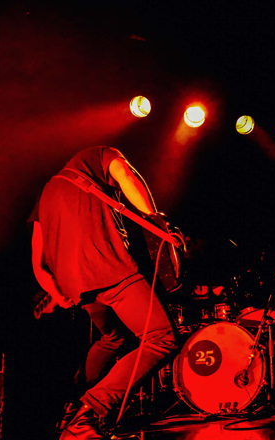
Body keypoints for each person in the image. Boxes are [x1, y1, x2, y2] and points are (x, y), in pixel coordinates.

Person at [30, 146, 178, 440]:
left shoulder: (45, 194)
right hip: (106, 267)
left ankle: (70, 407)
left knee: (113, 338)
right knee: (162, 338)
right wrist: (156, 221)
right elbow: (126, 175)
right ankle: (87, 412)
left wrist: (57, 292)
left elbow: (38, 262)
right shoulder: (100, 154)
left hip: (75, 285)